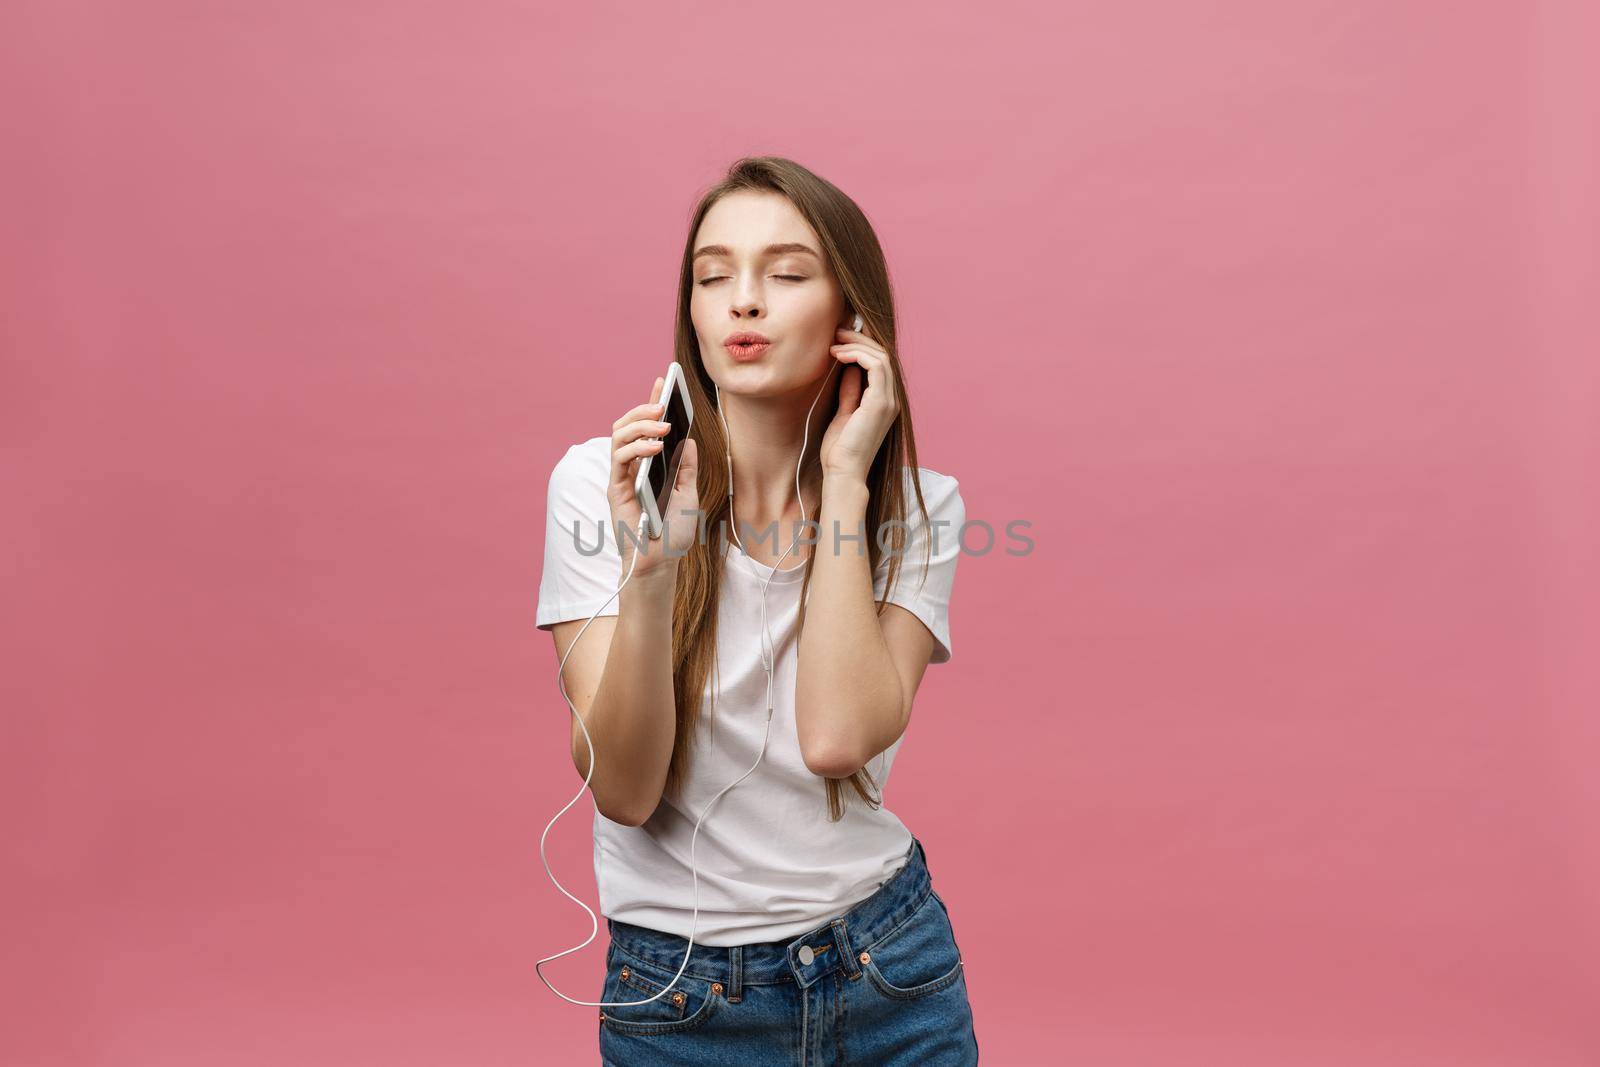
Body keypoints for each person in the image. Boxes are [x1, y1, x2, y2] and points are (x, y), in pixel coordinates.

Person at [536, 156, 978, 1065]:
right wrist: (651, 571)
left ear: (852, 319)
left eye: (784, 274)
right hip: (681, 996)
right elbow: (621, 789)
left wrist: (850, 486)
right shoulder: (600, 484)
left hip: (889, 968)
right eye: (712, 276)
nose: (743, 301)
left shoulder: (919, 507)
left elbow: (836, 739)